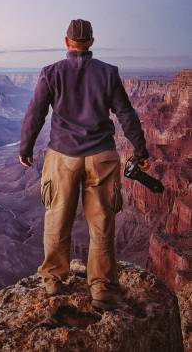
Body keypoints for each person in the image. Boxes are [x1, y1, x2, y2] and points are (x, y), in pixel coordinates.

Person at [18, 19, 149, 311]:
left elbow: (35, 114)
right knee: (101, 221)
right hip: (101, 156)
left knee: (57, 217)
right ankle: (101, 287)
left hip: (63, 156)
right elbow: (126, 114)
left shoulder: (51, 73)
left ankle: (53, 278)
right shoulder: (108, 73)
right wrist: (141, 149)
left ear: (66, 42)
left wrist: (25, 147)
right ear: (91, 42)